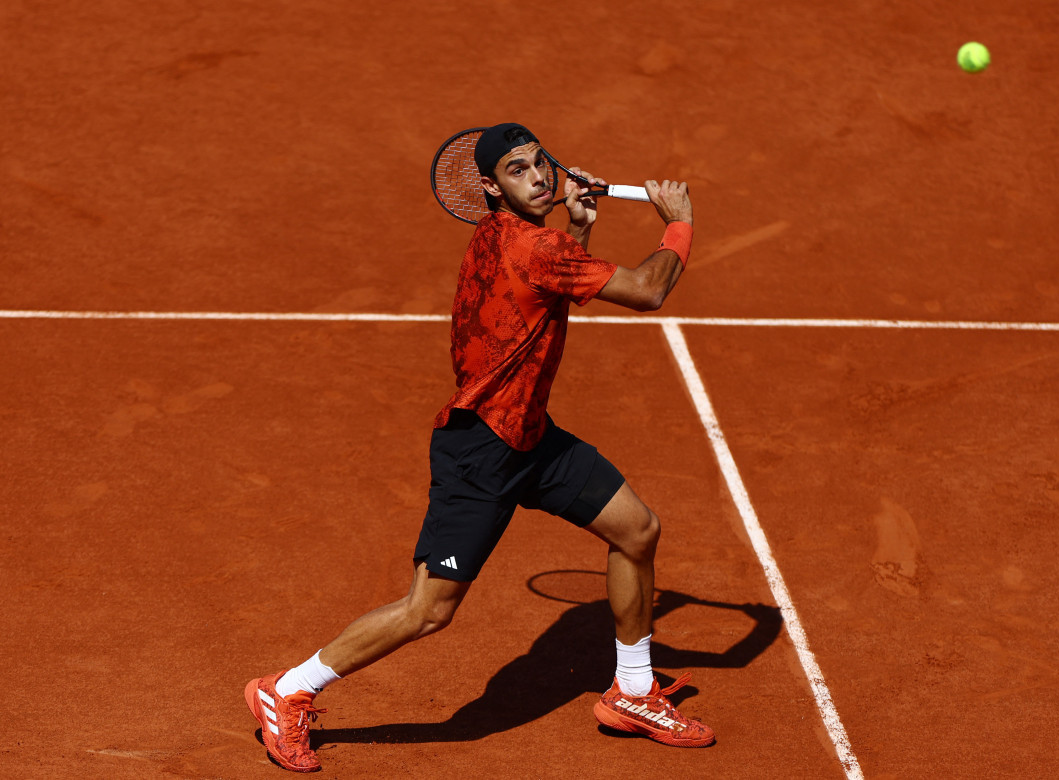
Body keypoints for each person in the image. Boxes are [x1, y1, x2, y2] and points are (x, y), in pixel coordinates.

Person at [245, 123, 711, 773]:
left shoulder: (506, 238)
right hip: (482, 448)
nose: (540, 176)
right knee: (428, 610)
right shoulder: (531, 245)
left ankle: (633, 692)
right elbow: (647, 291)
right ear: (491, 187)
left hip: (530, 436)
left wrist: (578, 228)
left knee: (636, 530)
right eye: (519, 170)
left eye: (541, 162)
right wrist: (677, 225)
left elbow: (551, 294)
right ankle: (287, 689)